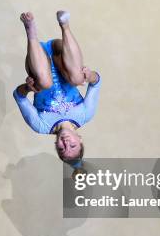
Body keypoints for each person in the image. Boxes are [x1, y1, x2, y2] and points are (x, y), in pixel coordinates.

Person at [13, 10, 101, 166]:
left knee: (44, 84)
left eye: (62, 149)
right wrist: (89, 75)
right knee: (77, 78)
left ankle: (30, 32)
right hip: (60, 54)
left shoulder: (41, 126)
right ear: (80, 139)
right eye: (72, 145)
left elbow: (18, 96)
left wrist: (27, 88)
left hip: (38, 59)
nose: (66, 143)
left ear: (56, 146)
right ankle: (65, 25)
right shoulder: (86, 114)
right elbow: (96, 82)